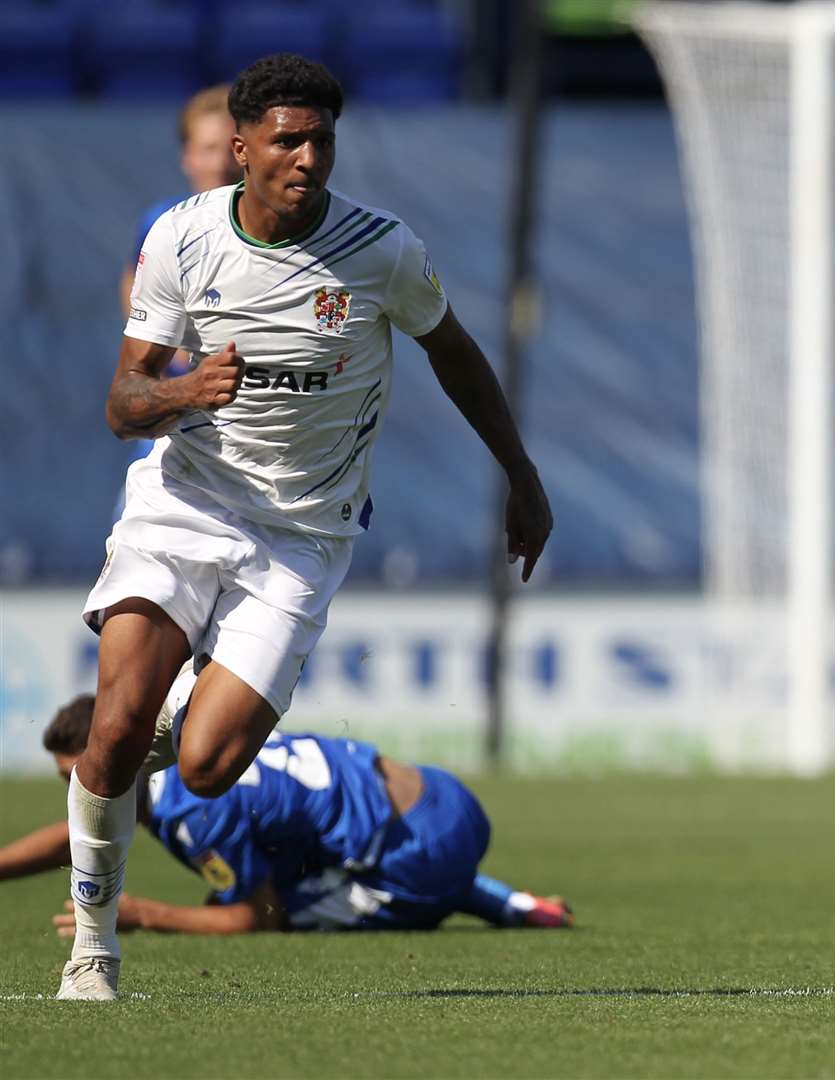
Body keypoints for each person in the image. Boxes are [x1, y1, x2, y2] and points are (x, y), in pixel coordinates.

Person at [60, 53, 553, 1000]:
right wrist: (180, 392)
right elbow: (123, 403)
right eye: (288, 139)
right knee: (113, 728)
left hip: (303, 537)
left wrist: (521, 477)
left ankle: (175, 714)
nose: (308, 157)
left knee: (202, 769)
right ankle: (92, 948)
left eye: (322, 139)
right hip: (186, 504)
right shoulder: (182, 238)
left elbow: (457, 357)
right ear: (240, 150)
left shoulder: (383, 249)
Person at [2, 695, 572, 934]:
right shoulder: (184, 742)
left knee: (278, 907)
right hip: (446, 798)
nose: (80, 789)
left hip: (419, 860)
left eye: (76, 775)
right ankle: (521, 905)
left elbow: (253, 920)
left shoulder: (190, 812)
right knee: (287, 863)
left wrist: (141, 913)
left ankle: (479, 897)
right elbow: (81, 832)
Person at [115, 86, 245, 508]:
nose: (221, 163)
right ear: (187, 157)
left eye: (230, 149)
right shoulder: (163, 224)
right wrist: (169, 354)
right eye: (208, 149)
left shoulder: (279, 235)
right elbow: (133, 285)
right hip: (173, 429)